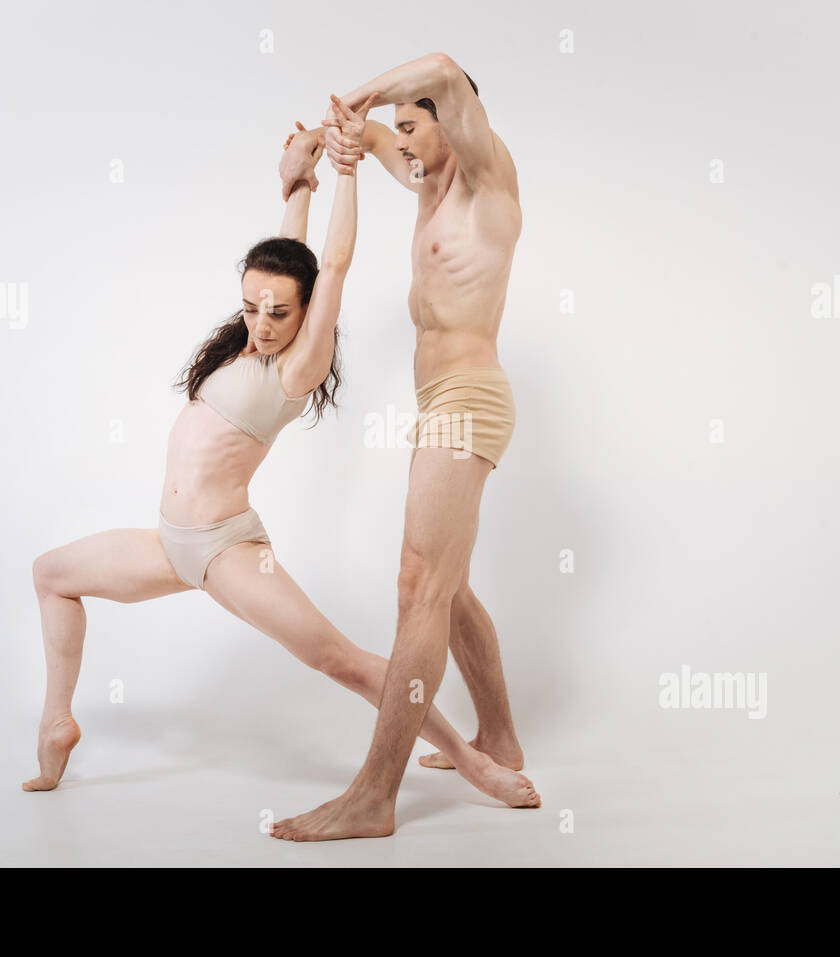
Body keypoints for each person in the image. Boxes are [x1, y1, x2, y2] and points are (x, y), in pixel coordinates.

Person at [22, 93, 538, 812]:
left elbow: (329, 263)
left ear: (307, 313)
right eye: (251, 307)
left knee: (343, 662)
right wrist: (297, 181)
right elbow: (289, 260)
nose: (262, 323)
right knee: (52, 574)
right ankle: (56, 721)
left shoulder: (298, 363)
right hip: (171, 543)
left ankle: (473, 760)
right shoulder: (253, 332)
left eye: (278, 312)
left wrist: (350, 172)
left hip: (227, 550)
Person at [271, 55, 534, 841]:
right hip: (436, 406)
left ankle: (373, 795)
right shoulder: (429, 179)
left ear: (453, 123)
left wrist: (362, 93)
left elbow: (446, 73)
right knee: (445, 587)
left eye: (416, 128)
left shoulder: (490, 183)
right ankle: (498, 737)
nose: (404, 146)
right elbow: (369, 137)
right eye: (404, 135)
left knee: (416, 582)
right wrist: (317, 150)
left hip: (469, 400)